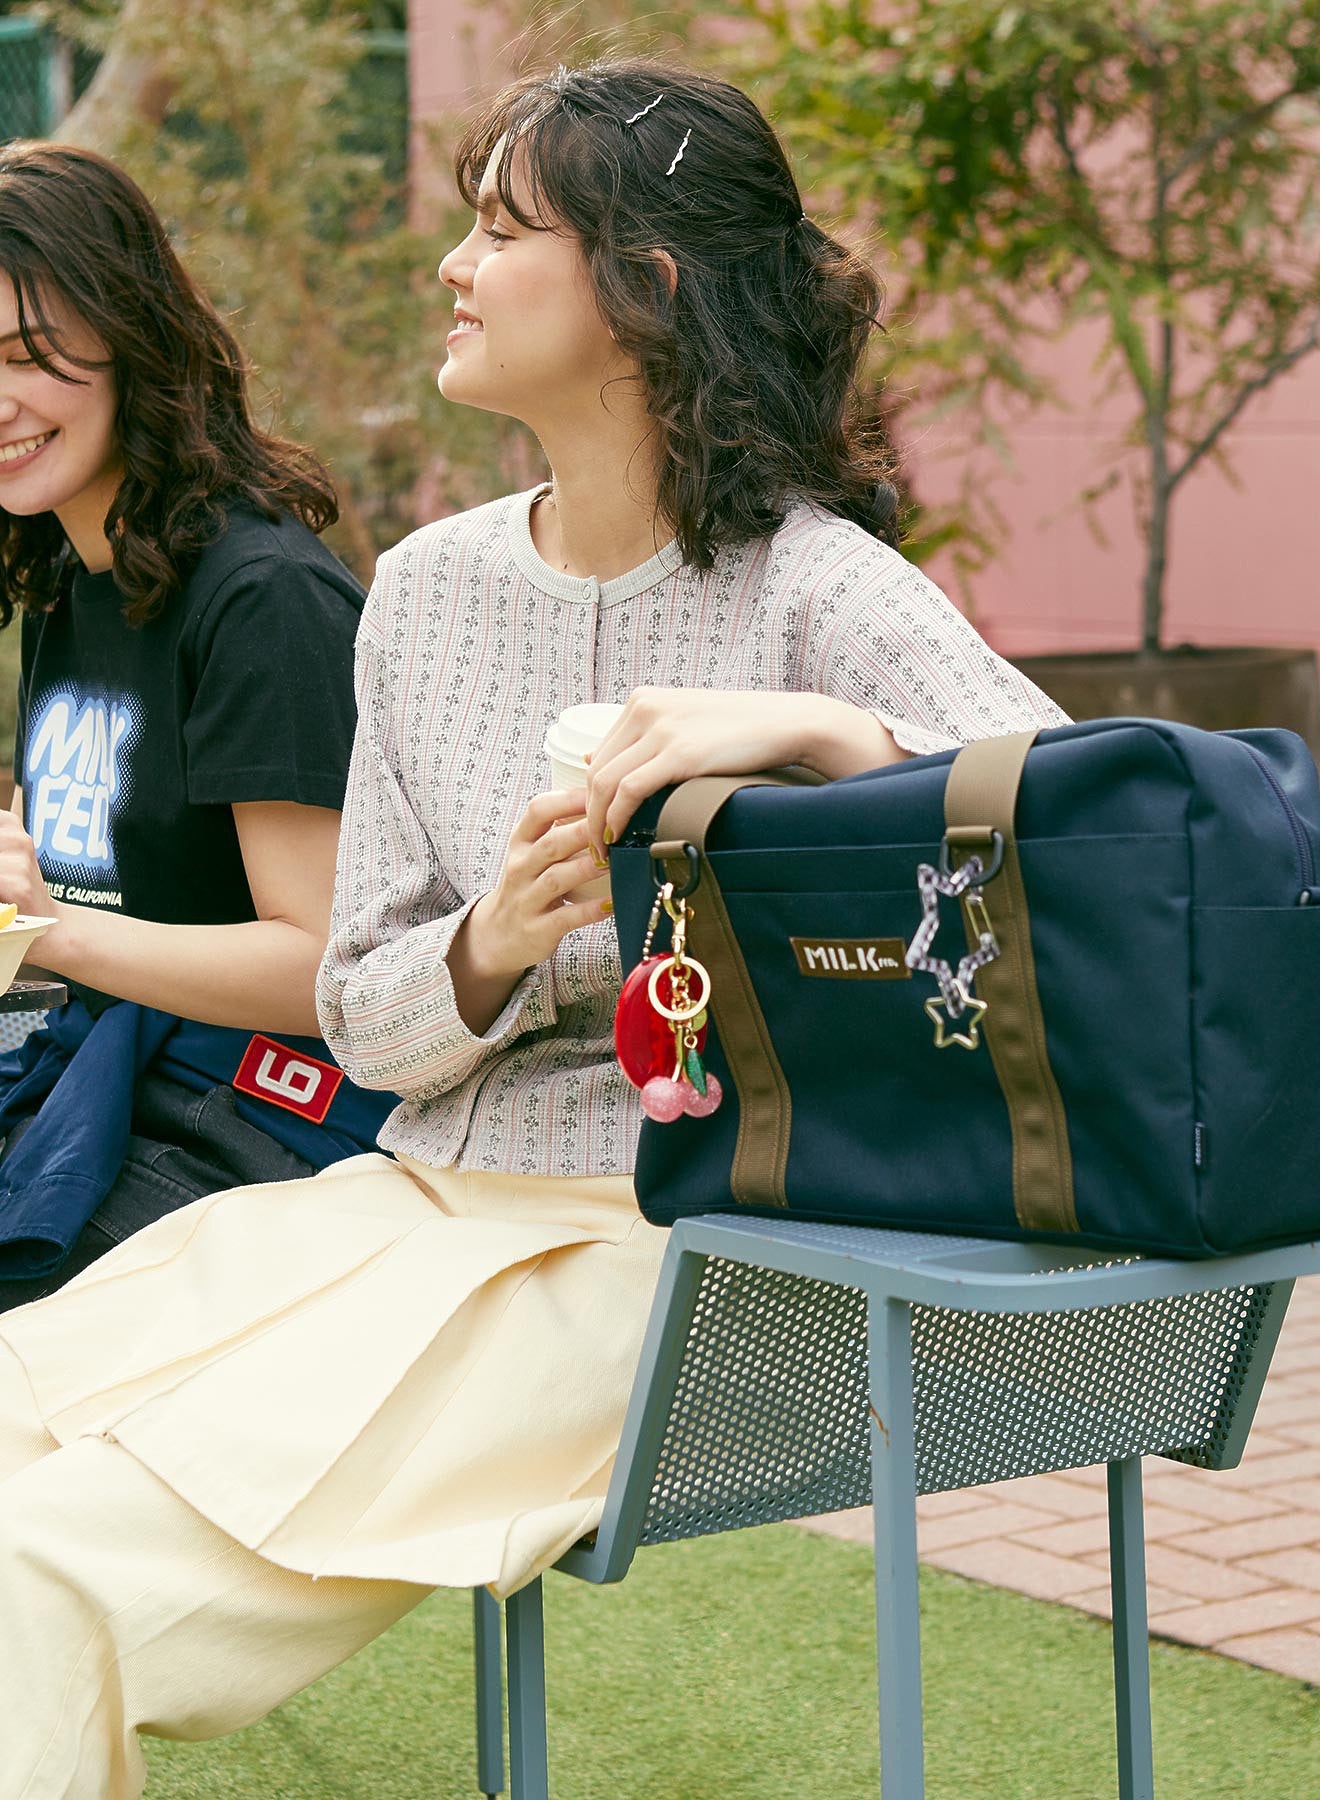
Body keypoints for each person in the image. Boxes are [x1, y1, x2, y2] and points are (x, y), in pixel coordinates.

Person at [0, 60, 1067, 1795]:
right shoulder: (425, 591)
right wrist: (490, 942)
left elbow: (1098, 820)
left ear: (644, 287)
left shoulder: (816, 586)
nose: (455, 264)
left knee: (40, 1579)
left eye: (502, 228)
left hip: (677, 1254)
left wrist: (819, 740)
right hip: (407, 1203)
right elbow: (360, 1018)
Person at [0, 143, 397, 1307]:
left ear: (133, 338)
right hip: (113, 1078)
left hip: (269, 1119)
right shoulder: (75, 585)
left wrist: (47, 930)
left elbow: (323, 966)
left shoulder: (258, 594)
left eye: (28, 356)